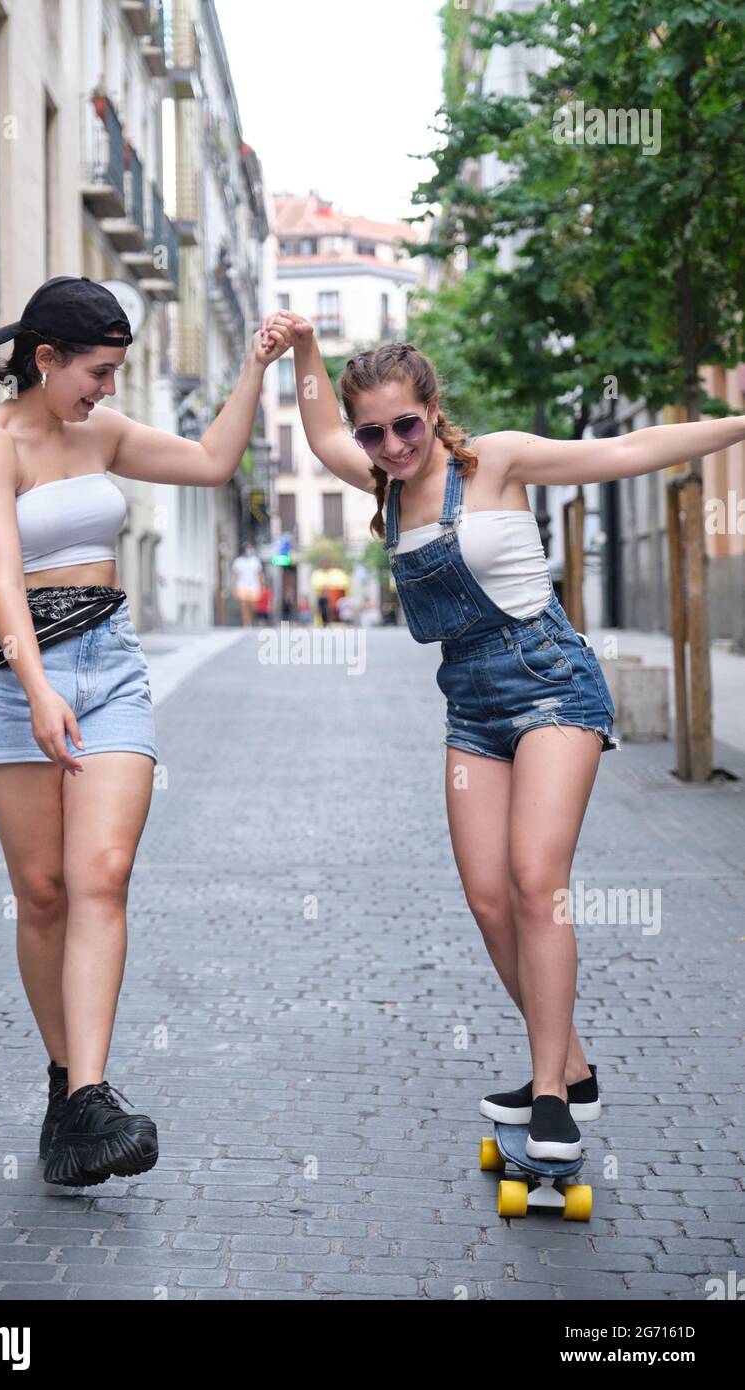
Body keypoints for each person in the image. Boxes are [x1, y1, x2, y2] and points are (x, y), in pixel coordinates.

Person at [258, 309, 745, 1161]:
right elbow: (320, 426)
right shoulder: (381, 483)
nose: (392, 444)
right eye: (376, 432)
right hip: (470, 704)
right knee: (489, 901)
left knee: (534, 881)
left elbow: (627, 453)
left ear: (433, 407)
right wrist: (304, 348)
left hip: (552, 680)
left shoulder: (498, 460)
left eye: (406, 424)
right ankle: (574, 1065)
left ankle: (551, 1093)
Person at [0, 276, 292, 1187]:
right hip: (9, 674)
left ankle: (92, 1095)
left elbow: (214, 461)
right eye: (96, 372)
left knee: (102, 873)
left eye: (117, 372)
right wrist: (33, 687)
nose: (107, 390)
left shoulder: (101, 432)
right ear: (45, 358)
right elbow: (5, 577)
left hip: (108, 665)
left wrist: (259, 367)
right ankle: (66, 1088)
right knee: (42, 890)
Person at [231, 543, 263, 626]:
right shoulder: (238, 561)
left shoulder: (255, 561)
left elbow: (259, 574)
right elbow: (234, 574)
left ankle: (250, 619)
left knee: (252, 606)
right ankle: (246, 623)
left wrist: (262, 585)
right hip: (242, 586)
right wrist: (233, 587)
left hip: (253, 586)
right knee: (244, 605)